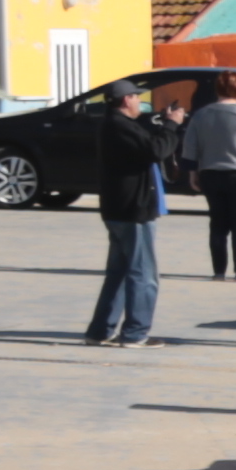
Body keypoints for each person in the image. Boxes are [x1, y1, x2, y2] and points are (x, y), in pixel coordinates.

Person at [88, 82, 175, 344]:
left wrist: (162, 125)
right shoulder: (120, 126)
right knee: (143, 274)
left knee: (119, 272)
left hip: (119, 208)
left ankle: (100, 331)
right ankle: (136, 333)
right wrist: (172, 126)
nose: (139, 102)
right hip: (132, 210)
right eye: (136, 97)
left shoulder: (115, 124)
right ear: (126, 100)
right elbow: (155, 150)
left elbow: (146, 144)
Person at [176, 71, 236, 286]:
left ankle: (218, 271)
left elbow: (190, 146)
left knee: (217, 223)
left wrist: (192, 172)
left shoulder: (201, 114)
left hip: (209, 173)